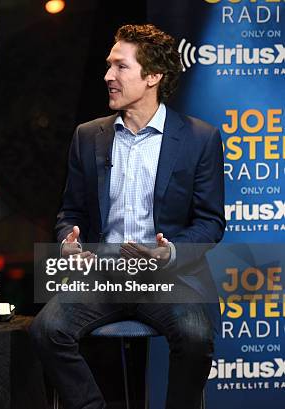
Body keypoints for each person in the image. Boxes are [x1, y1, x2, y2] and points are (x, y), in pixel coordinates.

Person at [30, 24, 226, 409]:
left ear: (153, 76)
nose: (108, 76)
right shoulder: (89, 136)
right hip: (103, 275)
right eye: (108, 66)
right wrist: (71, 243)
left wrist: (169, 254)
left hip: (169, 279)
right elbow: (70, 212)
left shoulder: (200, 138)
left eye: (120, 67)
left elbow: (210, 222)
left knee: (195, 337)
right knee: (46, 330)